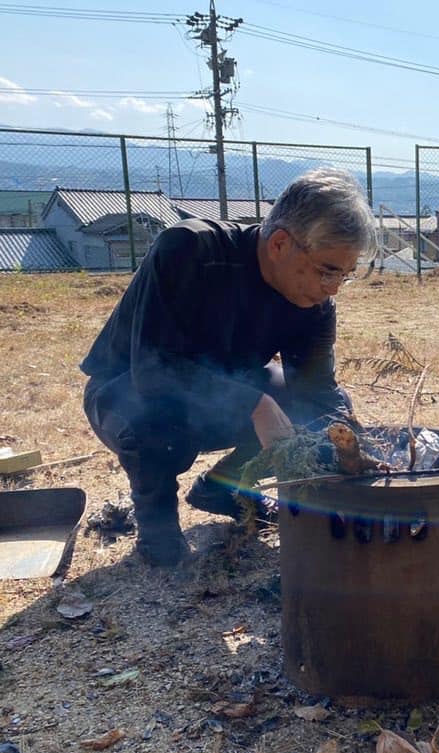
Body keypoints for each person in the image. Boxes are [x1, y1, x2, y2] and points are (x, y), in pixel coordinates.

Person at [80, 169, 376, 567]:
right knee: (153, 418)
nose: (334, 286)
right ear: (280, 244)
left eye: (345, 274)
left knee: (306, 404)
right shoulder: (191, 251)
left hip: (225, 394)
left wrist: (354, 447)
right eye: (328, 270)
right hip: (125, 393)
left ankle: (223, 488)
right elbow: (153, 371)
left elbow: (317, 390)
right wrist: (256, 404)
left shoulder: (315, 304)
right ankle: (158, 532)